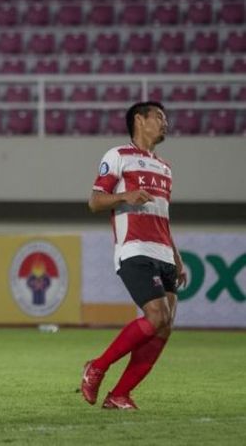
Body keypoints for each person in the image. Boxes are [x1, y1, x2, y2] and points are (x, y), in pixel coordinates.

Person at [81, 101, 187, 409]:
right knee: (157, 316)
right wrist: (124, 195)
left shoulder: (165, 167)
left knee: (164, 326)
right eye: (159, 117)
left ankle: (119, 395)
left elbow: (163, 217)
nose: (165, 122)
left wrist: (176, 258)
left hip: (164, 253)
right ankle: (97, 367)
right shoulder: (118, 156)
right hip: (135, 248)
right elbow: (95, 202)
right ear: (139, 120)